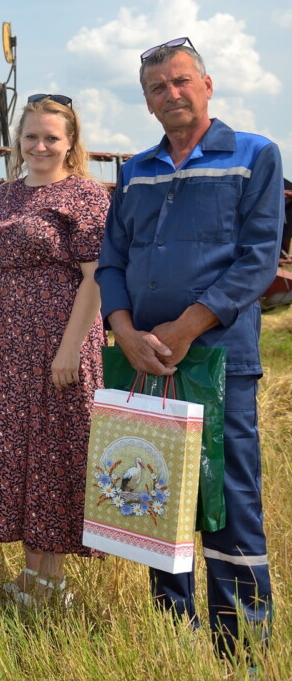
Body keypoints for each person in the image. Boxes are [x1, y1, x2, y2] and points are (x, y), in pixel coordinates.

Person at [96, 38, 281, 657]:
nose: (170, 94)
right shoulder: (135, 170)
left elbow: (258, 263)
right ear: (147, 104)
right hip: (143, 357)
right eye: (157, 88)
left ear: (207, 84)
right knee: (155, 490)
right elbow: (112, 261)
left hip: (216, 359)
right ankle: (175, 638)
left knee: (227, 496)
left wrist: (183, 329)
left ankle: (243, 648)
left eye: (180, 81)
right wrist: (123, 330)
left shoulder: (254, 156)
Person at [0, 94, 110, 604]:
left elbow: (95, 280)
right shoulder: (4, 195)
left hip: (57, 338)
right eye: (31, 136)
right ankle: (31, 573)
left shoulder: (85, 195)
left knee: (54, 451)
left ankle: (54, 580)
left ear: (70, 143)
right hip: (2, 342)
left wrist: (69, 350)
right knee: (11, 451)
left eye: (51, 138)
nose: (40, 146)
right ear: (18, 141)